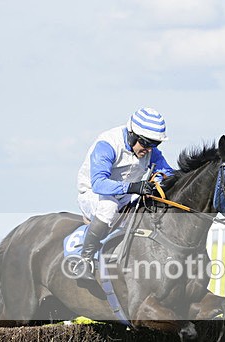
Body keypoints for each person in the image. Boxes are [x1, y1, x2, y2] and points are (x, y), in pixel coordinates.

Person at [73, 107, 175, 281]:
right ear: (132, 134)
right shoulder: (107, 145)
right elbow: (98, 183)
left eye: (155, 145)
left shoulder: (148, 149)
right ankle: (85, 259)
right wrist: (133, 187)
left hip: (125, 196)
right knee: (108, 206)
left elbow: (168, 174)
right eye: (146, 143)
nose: (150, 150)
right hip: (93, 193)